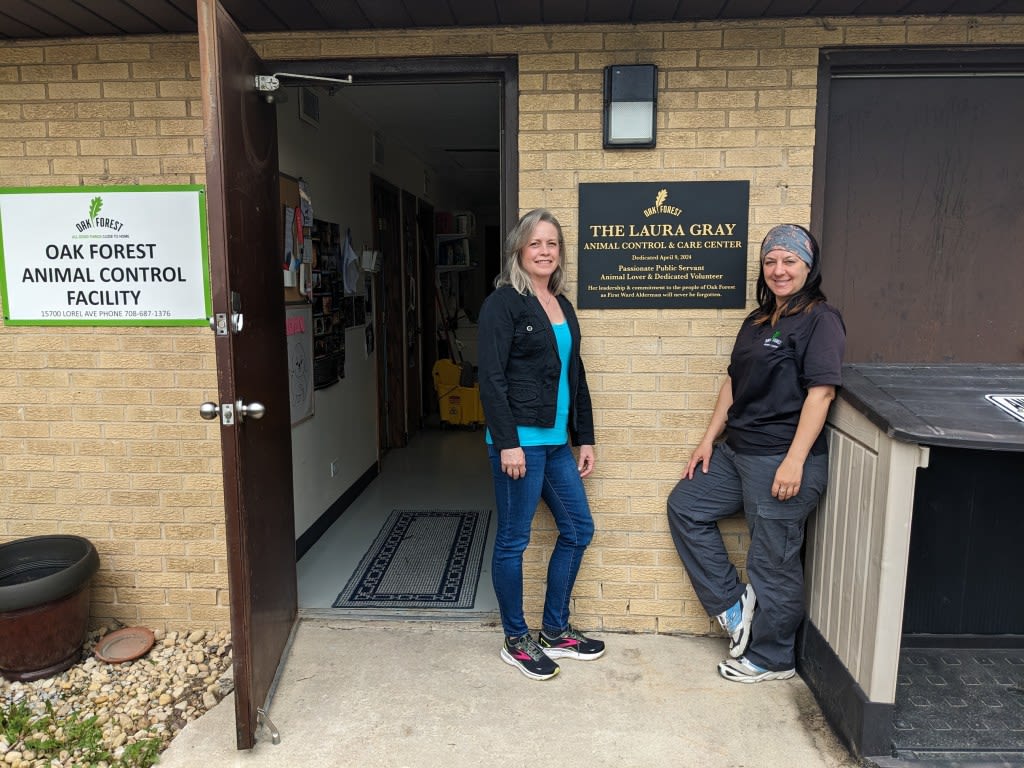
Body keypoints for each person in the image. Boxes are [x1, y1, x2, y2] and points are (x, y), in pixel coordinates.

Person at [666, 224, 845, 683]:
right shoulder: (757, 320)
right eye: (771, 261)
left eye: (789, 260)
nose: (779, 270)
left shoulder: (821, 319)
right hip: (736, 452)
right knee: (685, 504)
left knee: (772, 563)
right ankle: (732, 605)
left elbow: (821, 394)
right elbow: (732, 382)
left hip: (780, 458)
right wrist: (709, 438)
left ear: (809, 265)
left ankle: (772, 658)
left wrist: (795, 460)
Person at [477, 208, 605, 680]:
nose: (545, 251)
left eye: (552, 244)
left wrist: (584, 436)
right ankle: (516, 638)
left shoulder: (562, 305)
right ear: (519, 250)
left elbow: (577, 375)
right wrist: (507, 443)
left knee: (578, 529)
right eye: (536, 243)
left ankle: (554, 630)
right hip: (521, 445)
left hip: (555, 444)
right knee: (514, 540)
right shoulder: (503, 303)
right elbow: (489, 379)